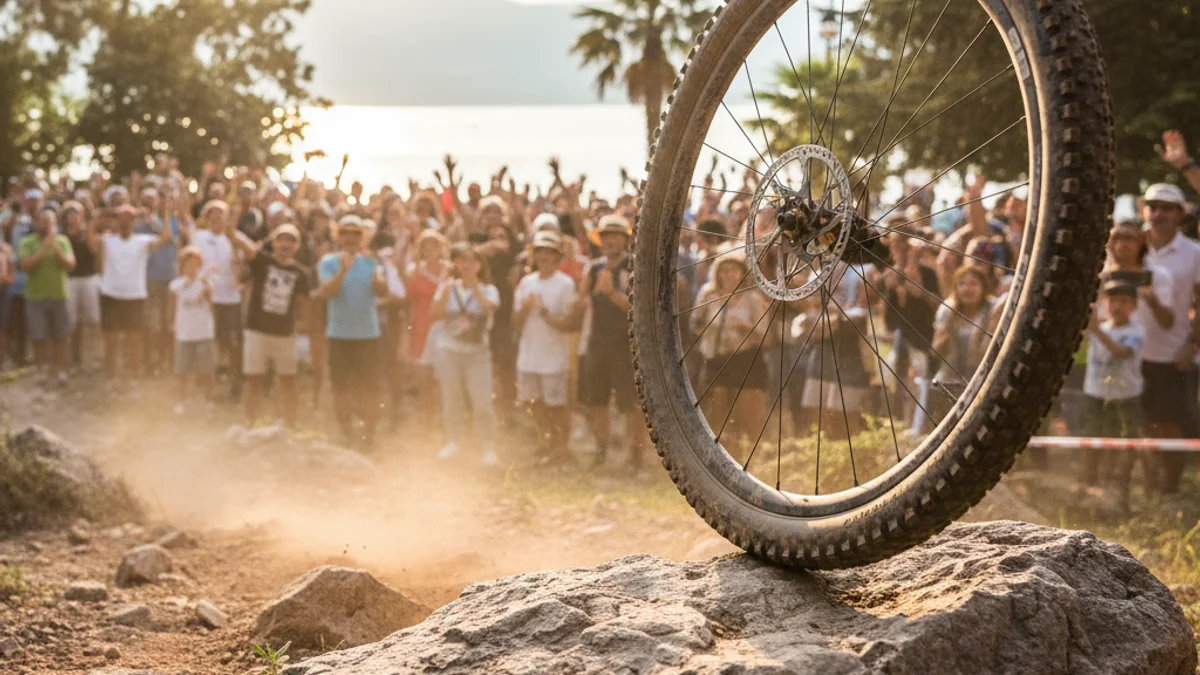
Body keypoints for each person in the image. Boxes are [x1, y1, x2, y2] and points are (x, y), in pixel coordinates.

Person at [571, 214, 647, 469]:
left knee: (631, 403)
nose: (610, 240)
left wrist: (612, 294)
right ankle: (601, 449)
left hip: (627, 345)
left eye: (615, 236)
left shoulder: (634, 267)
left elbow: (639, 310)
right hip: (597, 342)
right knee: (595, 400)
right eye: (606, 236)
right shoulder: (592, 268)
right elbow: (582, 303)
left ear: (625, 240)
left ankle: (636, 456)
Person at [1140, 183, 1200, 493]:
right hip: (1130, 350)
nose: (1158, 213)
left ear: (1180, 214)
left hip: (1172, 353)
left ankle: (1171, 488)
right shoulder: (1130, 244)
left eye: (1166, 208)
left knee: (1170, 423)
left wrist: (1192, 345)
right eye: (1153, 206)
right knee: (1141, 422)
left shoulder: (1194, 252)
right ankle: (1145, 485)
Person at [226, 223, 310, 428]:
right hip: (257, 331)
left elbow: (304, 305)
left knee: (288, 381)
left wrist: (302, 330)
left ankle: (290, 425)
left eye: (291, 241)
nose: (285, 245)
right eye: (282, 239)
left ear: (297, 246)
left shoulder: (301, 273)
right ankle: (250, 422)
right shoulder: (261, 261)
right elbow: (236, 238)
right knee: (253, 380)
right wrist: (230, 218)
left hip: (285, 334)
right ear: (274, 242)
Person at [317, 215, 387, 447]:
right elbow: (327, 293)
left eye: (355, 233)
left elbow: (382, 291)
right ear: (338, 235)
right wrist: (343, 271)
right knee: (341, 387)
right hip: (339, 334)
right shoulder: (328, 262)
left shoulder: (370, 262)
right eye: (345, 232)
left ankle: (370, 433)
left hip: (368, 334)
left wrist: (379, 278)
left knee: (370, 387)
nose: (350, 237)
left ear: (362, 237)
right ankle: (345, 431)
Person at [89, 203, 174, 392]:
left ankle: (134, 379)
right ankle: (111, 379)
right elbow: (90, 240)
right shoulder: (107, 240)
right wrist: (102, 217)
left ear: (134, 222)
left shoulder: (142, 241)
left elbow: (166, 237)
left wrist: (163, 214)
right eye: (121, 218)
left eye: (129, 218)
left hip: (134, 296)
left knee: (134, 341)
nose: (125, 221)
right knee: (111, 341)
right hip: (111, 295)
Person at [691, 251, 770, 444]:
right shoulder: (708, 293)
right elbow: (695, 325)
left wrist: (744, 325)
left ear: (742, 273)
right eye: (724, 271)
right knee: (717, 409)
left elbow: (766, 337)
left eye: (733, 270)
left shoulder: (752, 298)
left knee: (747, 413)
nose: (728, 275)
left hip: (745, 358)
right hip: (716, 357)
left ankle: (752, 454)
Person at [432, 243, 501, 465]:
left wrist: (476, 288)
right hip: (450, 350)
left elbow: (491, 307)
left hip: (477, 352)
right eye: (463, 260)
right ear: (456, 264)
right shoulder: (447, 287)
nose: (468, 266)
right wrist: (444, 293)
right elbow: (435, 314)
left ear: (480, 265)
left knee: (482, 402)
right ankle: (453, 441)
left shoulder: (489, 289)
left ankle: (487, 447)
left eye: (473, 261)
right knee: (451, 398)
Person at [514, 231, 577, 463]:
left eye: (548, 252)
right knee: (534, 403)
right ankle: (546, 443)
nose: (543, 256)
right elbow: (515, 322)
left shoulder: (565, 284)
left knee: (556, 405)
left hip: (554, 357)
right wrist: (525, 308)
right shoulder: (526, 282)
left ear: (556, 256)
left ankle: (561, 447)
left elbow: (568, 323)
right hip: (529, 355)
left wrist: (543, 311)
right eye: (539, 251)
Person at [1080, 281, 1144, 505]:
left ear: (1133, 305)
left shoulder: (1135, 331)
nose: (1117, 306)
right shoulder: (1100, 327)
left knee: (1119, 445)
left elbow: (1121, 353)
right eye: (1112, 300)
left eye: (1124, 301)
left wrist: (1095, 329)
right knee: (1091, 442)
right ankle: (1089, 486)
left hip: (1124, 397)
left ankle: (1116, 488)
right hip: (1094, 393)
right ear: (1105, 303)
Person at [190, 200, 244, 401]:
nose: (216, 217)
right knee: (205, 341)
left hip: (229, 298)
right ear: (206, 217)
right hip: (205, 297)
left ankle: (235, 383)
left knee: (232, 342)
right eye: (212, 213)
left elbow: (241, 269)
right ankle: (204, 382)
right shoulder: (199, 237)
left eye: (220, 213)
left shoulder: (234, 238)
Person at [18, 209, 75, 387]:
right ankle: (41, 371)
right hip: (36, 297)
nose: (46, 224)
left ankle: (61, 372)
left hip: (59, 295)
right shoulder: (27, 242)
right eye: (43, 221)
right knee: (38, 336)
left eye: (50, 221)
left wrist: (55, 247)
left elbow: (70, 265)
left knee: (62, 336)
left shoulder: (62, 241)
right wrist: (44, 248)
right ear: (36, 223)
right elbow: (27, 267)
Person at [931, 265, 996, 419]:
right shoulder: (947, 310)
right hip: (951, 381)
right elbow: (934, 352)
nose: (968, 288)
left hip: (983, 381)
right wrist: (946, 337)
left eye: (973, 283)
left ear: (983, 288)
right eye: (962, 284)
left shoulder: (991, 310)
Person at [405, 229, 448, 435]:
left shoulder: (449, 270)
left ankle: (444, 424)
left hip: (446, 325)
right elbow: (411, 302)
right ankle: (426, 424)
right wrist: (409, 332)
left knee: (445, 380)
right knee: (425, 379)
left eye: (435, 247)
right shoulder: (415, 271)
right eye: (426, 248)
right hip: (422, 326)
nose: (431, 251)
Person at [169, 247, 216, 417]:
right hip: (184, 333)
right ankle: (183, 402)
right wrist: (172, 325)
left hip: (203, 332)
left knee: (206, 371)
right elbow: (172, 306)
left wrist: (207, 293)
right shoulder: (176, 285)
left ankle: (209, 403)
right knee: (182, 371)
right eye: (188, 263)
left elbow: (212, 308)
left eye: (195, 263)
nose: (191, 266)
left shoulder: (207, 284)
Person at [64, 201, 100, 368]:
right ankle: (75, 357)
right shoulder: (63, 236)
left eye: (76, 214)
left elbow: (95, 251)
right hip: (71, 280)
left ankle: (95, 355)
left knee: (93, 320)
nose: (74, 218)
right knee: (73, 322)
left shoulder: (89, 234)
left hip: (90, 279)